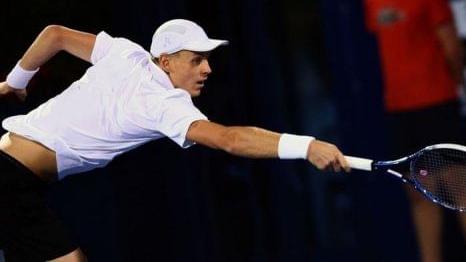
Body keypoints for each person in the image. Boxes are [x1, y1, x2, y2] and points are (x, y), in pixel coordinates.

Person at [0, 19, 350, 261]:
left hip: (14, 172)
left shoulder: (125, 53)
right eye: (196, 60)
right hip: (12, 182)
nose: (207, 70)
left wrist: (15, 82)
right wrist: (305, 146)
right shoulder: (165, 104)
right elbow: (229, 140)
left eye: (207, 60)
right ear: (166, 62)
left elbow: (55, 35)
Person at [363, 0, 466, 262]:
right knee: (419, 192)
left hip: (437, 104)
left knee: (461, 185)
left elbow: (451, 47)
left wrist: (453, 85)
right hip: (401, 110)